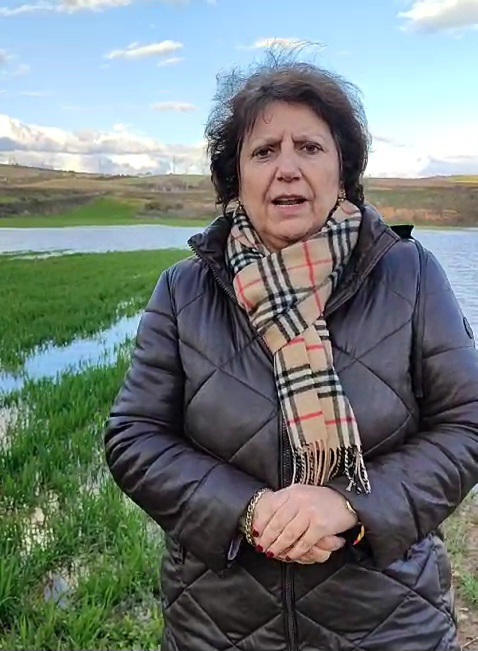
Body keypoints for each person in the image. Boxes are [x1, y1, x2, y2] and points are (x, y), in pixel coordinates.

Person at [103, 53, 478, 651]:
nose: (287, 169)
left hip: (390, 622)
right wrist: (248, 510)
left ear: (341, 169)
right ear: (236, 177)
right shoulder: (183, 290)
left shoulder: (410, 275)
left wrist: (351, 506)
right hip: (218, 626)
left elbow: (466, 424)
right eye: (263, 151)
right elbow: (135, 436)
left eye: (309, 147)